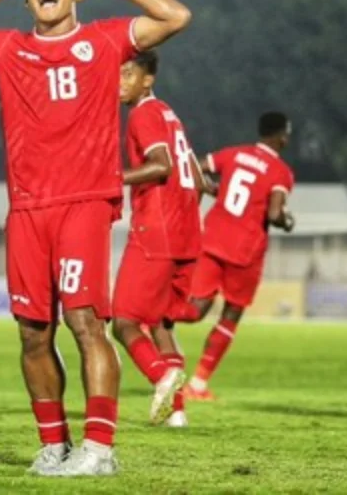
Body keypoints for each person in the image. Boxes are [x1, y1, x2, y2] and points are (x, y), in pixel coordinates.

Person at [0, 0, 191, 477]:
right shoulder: (9, 48)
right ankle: (54, 445)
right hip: (26, 210)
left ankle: (100, 448)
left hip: (83, 204)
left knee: (86, 321)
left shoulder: (104, 41)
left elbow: (175, 15)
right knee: (31, 332)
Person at [111, 50, 203, 428]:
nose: (121, 82)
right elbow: (196, 178)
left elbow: (162, 165)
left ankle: (158, 376)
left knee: (124, 322)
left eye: (128, 74)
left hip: (157, 229)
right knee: (162, 324)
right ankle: (176, 412)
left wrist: (111, 179)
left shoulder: (144, 113)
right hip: (186, 231)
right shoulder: (169, 114)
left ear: (148, 79)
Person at [182, 112, 296, 402]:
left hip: (214, 238)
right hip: (245, 251)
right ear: (281, 136)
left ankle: (147, 319)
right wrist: (288, 221)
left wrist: (209, 188)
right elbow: (273, 214)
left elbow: (195, 167)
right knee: (231, 314)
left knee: (195, 309)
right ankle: (197, 384)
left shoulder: (234, 154)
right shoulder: (280, 172)